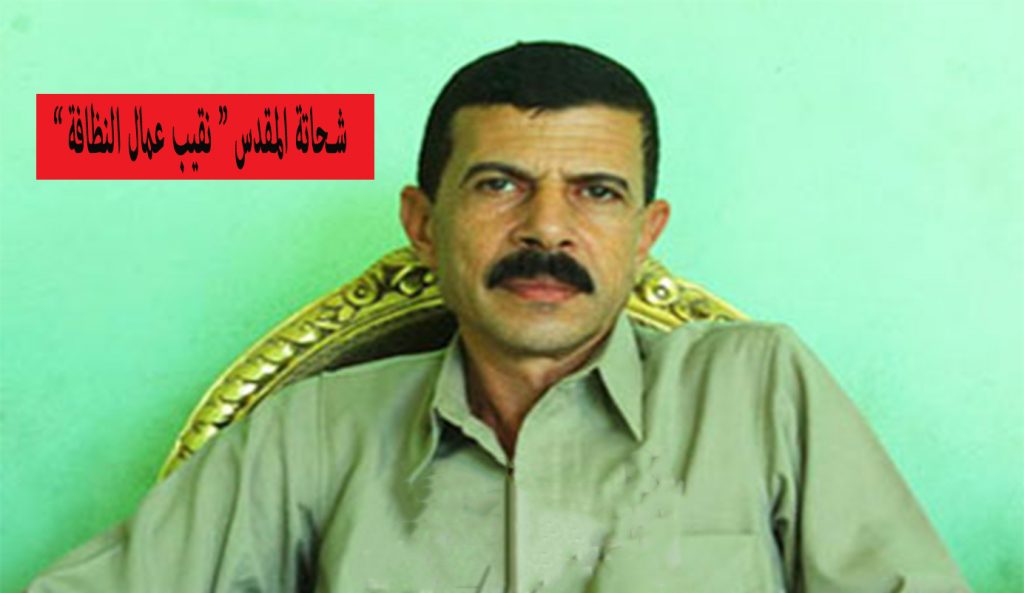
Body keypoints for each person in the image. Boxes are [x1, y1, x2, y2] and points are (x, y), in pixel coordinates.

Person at [28, 41, 970, 593]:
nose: (547, 227)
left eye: (596, 191)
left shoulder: (757, 388)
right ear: (422, 223)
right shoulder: (315, 430)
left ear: (645, 235)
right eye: (498, 184)